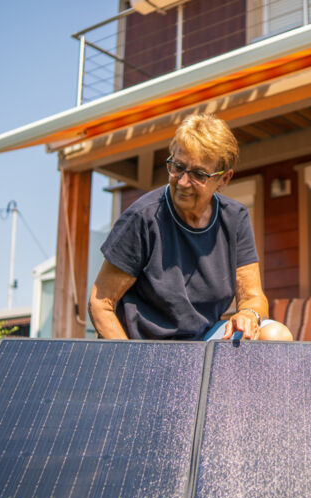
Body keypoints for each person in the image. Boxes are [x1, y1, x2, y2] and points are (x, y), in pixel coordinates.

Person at [89, 113, 293, 342]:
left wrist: (249, 313)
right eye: (177, 167)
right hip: (147, 351)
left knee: (275, 335)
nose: (183, 181)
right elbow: (101, 302)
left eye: (198, 174)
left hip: (203, 344)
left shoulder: (235, 219)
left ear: (224, 179)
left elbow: (254, 297)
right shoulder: (143, 218)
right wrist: (132, 365)